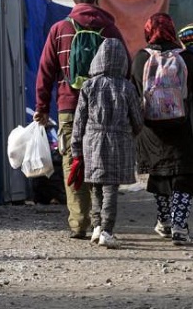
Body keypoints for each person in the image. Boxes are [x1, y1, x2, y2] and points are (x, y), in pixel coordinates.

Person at [33, 0, 129, 239]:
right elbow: (126, 68)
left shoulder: (60, 29)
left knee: (71, 159)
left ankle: (79, 221)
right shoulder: (110, 30)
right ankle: (100, 221)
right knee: (100, 160)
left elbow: (45, 71)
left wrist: (42, 106)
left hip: (69, 104)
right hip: (104, 108)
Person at [131, 13, 193, 246]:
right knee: (186, 175)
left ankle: (164, 221)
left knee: (160, 172)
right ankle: (180, 225)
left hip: (151, 131)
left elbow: (133, 92)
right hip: (186, 127)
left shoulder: (140, 59)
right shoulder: (187, 59)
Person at [71, 38, 144, 249]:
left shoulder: (88, 86)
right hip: (118, 143)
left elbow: (79, 121)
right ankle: (107, 230)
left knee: (95, 186)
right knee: (111, 187)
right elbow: (137, 122)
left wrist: (76, 148)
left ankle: (95, 227)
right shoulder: (127, 87)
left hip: (92, 141)